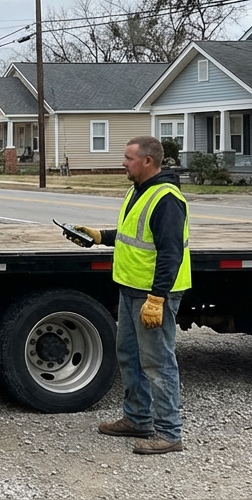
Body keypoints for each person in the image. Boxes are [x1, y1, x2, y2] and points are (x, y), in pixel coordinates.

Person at [64, 135, 191, 455]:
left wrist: (158, 298)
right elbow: (132, 236)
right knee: (130, 357)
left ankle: (169, 433)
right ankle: (137, 419)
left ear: (148, 161)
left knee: (158, 363)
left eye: (128, 157)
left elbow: (170, 253)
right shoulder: (138, 191)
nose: (123, 162)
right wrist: (98, 236)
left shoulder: (166, 198)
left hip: (152, 295)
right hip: (131, 290)